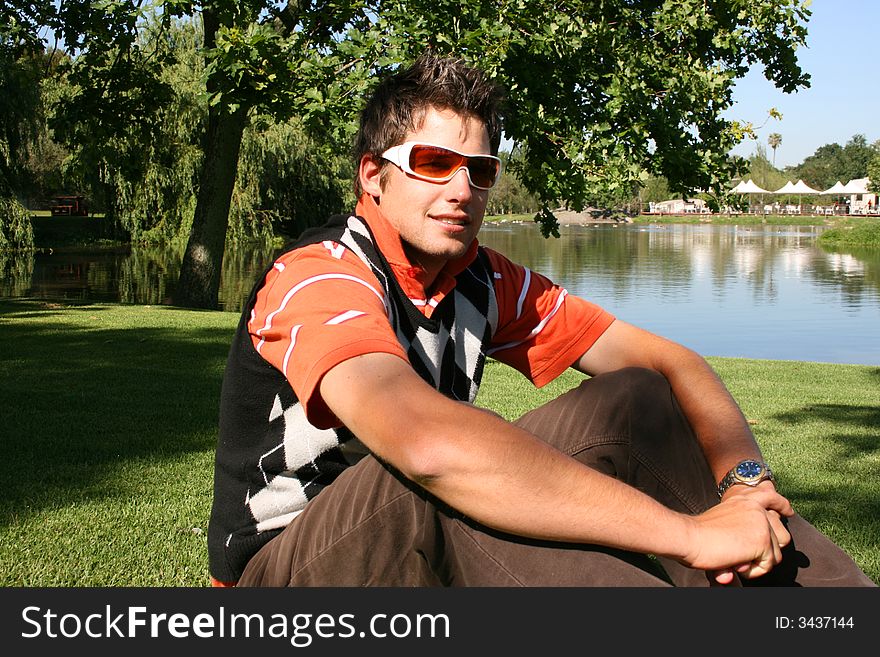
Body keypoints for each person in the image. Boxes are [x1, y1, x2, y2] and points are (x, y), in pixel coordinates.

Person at [207, 53, 874, 588]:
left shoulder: (482, 276)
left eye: (481, 169)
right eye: (434, 163)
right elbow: (429, 447)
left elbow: (671, 362)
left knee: (637, 395)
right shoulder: (318, 275)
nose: (461, 189)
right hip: (281, 577)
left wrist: (747, 485)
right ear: (373, 175)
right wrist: (690, 534)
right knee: (454, 468)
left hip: (408, 519)